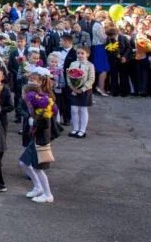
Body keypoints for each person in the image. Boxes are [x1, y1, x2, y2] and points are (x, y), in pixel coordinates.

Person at [19, 67, 58, 204]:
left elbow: (47, 122)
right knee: (23, 163)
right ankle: (38, 187)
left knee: (38, 168)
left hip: (41, 139)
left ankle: (48, 194)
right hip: (35, 137)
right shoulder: (34, 102)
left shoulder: (44, 101)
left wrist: (34, 122)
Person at [67, 46, 95, 138]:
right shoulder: (73, 64)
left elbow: (91, 79)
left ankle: (82, 130)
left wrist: (82, 89)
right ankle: (75, 128)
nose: (80, 55)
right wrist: (73, 87)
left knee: (83, 110)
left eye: (82, 53)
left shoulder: (90, 65)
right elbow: (68, 76)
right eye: (78, 53)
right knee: (74, 109)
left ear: (87, 54)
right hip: (74, 90)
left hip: (85, 90)